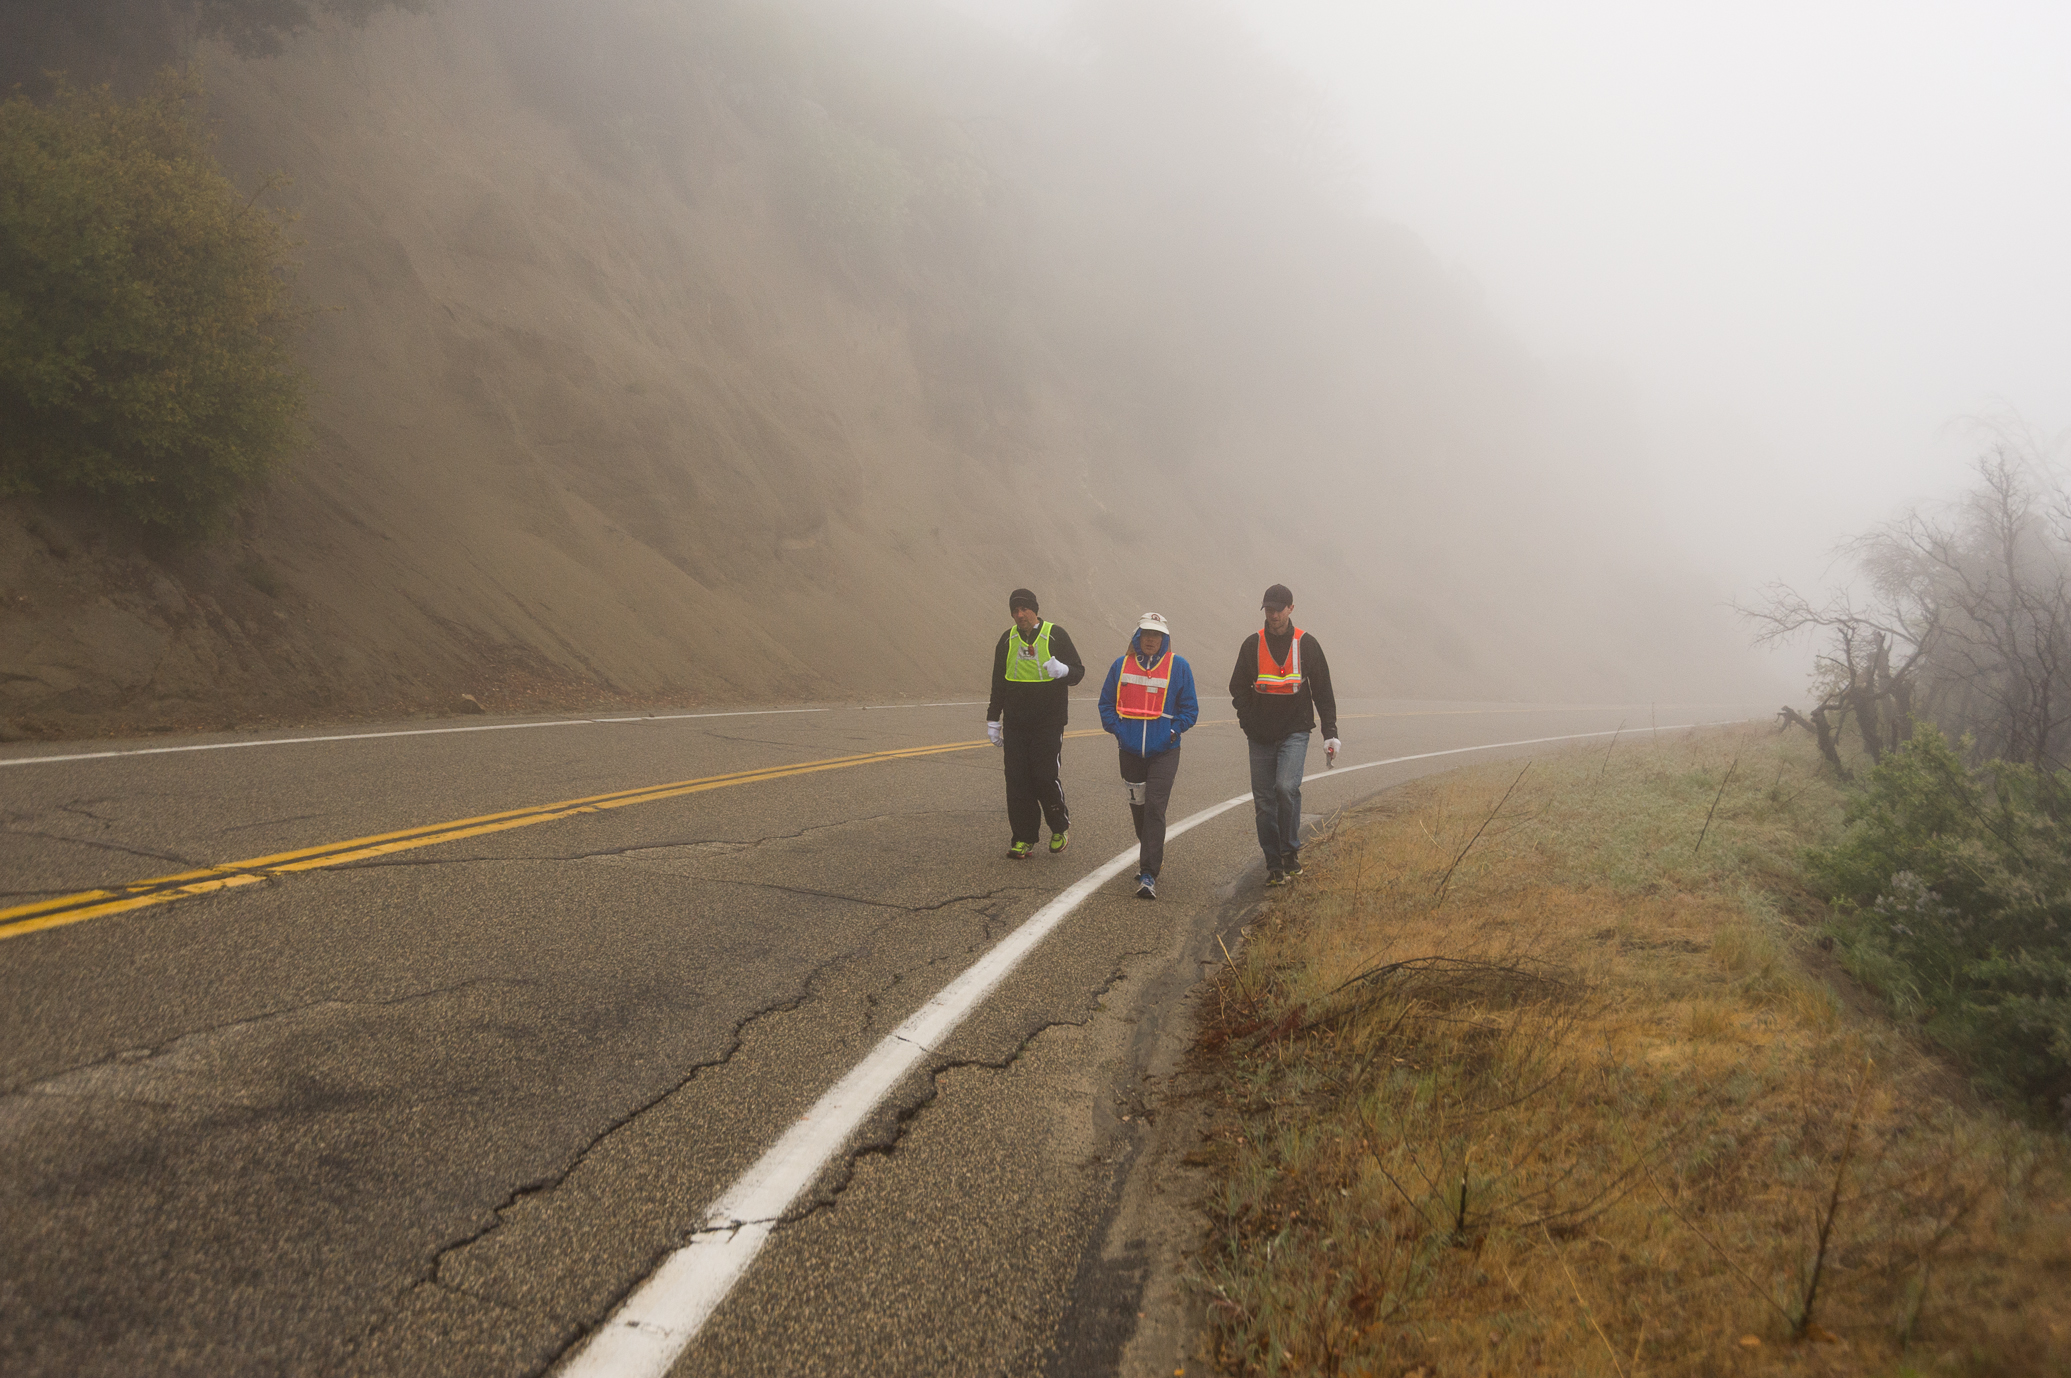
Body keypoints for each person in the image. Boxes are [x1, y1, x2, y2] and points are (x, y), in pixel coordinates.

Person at [1228, 583, 1340, 885]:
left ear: (1291, 608)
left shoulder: (1307, 644)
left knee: (1285, 788)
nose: (1273, 614)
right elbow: (1237, 686)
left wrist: (1330, 732)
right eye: (1268, 609)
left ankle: (1290, 852)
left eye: (1278, 609)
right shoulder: (1252, 644)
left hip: (1295, 731)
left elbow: (1323, 691)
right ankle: (1274, 865)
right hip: (1260, 735)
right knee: (1264, 801)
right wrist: (1248, 721)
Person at [1097, 612, 1200, 900]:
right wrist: (1118, 731)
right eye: (1146, 634)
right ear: (1137, 637)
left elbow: (1190, 709)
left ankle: (1148, 873)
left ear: (1164, 639)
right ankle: (1151, 852)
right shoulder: (1121, 665)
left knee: (1155, 806)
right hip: (1129, 751)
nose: (1151, 640)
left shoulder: (1179, 667)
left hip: (1165, 751)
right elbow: (1106, 703)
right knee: (1139, 808)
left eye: (1157, 635)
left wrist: (1171, 732)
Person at [986, 588, 1086, 858]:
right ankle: (1023, 838)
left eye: (1024, 609)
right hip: (1016, 724)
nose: (1020, 615)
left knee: (1043, 776)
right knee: (1017, 782)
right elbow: (999, 682)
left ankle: (1059, 826)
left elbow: (1078, 671)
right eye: (1015, 610)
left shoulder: (1056, 635)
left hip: (1048, 723)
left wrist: (1063, 671)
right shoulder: (1007, 640)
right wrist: (993, 719)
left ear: (1035, 610)